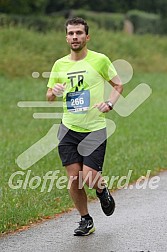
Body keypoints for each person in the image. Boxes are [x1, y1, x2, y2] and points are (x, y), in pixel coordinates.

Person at [46, 17, 123, 236]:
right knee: (74, 179)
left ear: (87, 37)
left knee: (89, 177)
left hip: (94, 128)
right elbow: (49, 95)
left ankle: (102, 190)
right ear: (66, 37)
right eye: (71, 33)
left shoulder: (100, 60)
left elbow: (118, 84)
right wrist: (55, 91)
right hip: (68, 128)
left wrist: (109, 103)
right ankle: (85, 219)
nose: (75, 37)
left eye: (79, 33)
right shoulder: (59, 64)